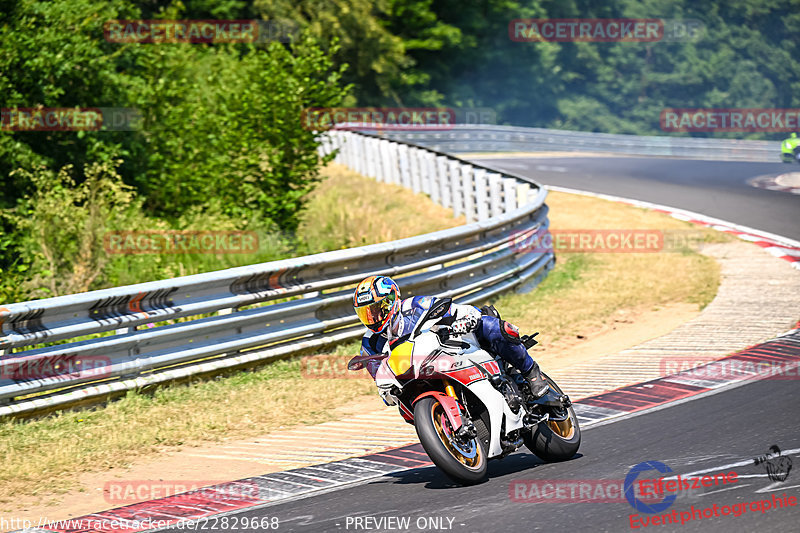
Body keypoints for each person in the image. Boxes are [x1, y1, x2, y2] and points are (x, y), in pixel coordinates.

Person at [352, 275, 548, 401]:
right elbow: (380, 377)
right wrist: (387, 391)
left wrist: (467, 319)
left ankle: (531, 372)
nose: (373, 318)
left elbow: (454, 310)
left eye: (378, 309)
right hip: (418, 375)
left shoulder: (414, 305)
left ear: (392, 300)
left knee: (491, 326)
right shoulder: (370, 342)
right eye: (366, 313)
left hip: (449, 348)